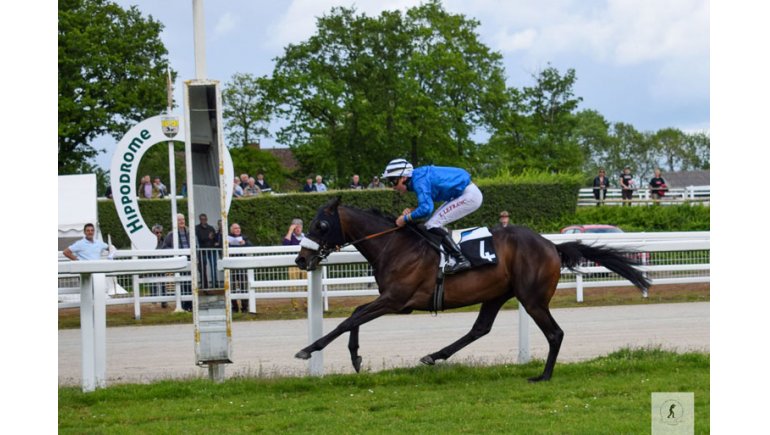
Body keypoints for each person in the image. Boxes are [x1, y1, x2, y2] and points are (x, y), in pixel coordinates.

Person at [383, 158, 482, 274]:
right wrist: (413, 210)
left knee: (432, 224)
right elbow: (426, 206)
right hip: (463, 193)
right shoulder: (417, 177)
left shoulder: (419, 181)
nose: (393, 186)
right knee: (431, 223)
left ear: (404, 178)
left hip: (469, 196)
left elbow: (426, 209)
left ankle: (461, 259)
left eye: (393, 181)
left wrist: (405, 219)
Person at [163, 214, 192, 311]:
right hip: (179, 262)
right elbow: (165, 247)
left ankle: (190, 305)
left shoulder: (190, 232)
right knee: (182, 283)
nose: (182, 221)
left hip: (189, 260)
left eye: (183, 219)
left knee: (190, 283)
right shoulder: (171, 234)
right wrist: (174, 251)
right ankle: (183, 305)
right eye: (179, 220)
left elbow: (196, 245)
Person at [227, 222, 251, 313]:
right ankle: (234, 307)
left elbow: (251, 246)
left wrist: (245, 243)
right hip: (231, 266)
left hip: (242, 265)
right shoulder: (227, 238)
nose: (237, 230)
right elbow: (222, 246)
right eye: (235, 228)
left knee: (244, 286)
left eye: (238, 228)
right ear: (231, 230)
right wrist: (228, 244)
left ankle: (245, 307)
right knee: (232, 287)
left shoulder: (244, 237)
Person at [195, 214, 218, 288]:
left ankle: (215, 284)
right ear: (199, 219)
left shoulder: (211, 228)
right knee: (202, 268)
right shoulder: (197, 228)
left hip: (212, 250)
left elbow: (214, 238)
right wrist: (208, 237)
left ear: (207, 219)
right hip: (202, 251)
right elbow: (200, 238)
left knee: (213, 267)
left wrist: (215, 242)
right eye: (202, 219)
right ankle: (204, 285)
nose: (203, 220)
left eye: (205, 219)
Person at [151, 223, 167, 306]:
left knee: (163, 283)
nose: (159, 234)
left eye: (160, 232)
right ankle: (153, 299)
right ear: (153, 233)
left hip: (162, 264)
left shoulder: (164, 241)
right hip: (153, 264)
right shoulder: (149, 242)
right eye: (157, 232)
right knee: (153, 282)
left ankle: (164, 301)